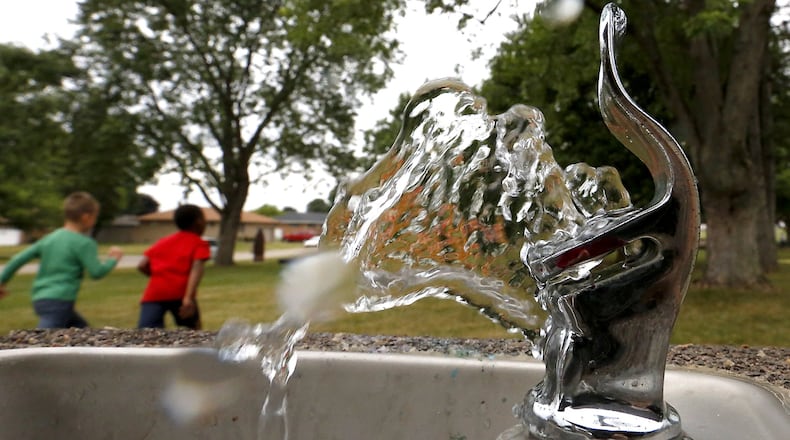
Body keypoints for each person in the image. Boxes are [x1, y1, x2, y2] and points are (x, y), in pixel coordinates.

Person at [0, 191, 123, 328]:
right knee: (44, 341)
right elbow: (96, 272)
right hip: (60, 300)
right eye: (95, 217)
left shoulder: (49, 238)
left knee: (82, 331)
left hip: (40, 298)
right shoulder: (84, 243)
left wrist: (2, 281)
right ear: (86, 217)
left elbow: (17, 259)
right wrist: (113, 259)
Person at [137, 204, 210, 329]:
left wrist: (160, 277)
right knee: (194, 333)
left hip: (154, 294)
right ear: (198, 222)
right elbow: (196, 269)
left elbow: (142, 265)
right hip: (181, 295)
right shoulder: (199, 243)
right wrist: (188, 298)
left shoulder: (163, 241)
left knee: (147, 334)